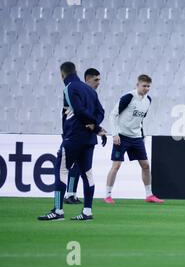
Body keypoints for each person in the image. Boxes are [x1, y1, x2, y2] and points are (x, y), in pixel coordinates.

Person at [38, 62, 105, 221]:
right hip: (89, 140)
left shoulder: (69, 88)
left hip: (73, 137)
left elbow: (79, 110)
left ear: (62, 74)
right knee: (87, 174)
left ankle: (58, 211)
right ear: (76, 71)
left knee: (60, 172)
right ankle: (87, 212)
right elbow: (100, 112)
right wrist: (95, 126)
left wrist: (94, 127)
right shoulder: (90, 90)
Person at [105, 74, 163, 204]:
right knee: (116, 166)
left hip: (136, 137)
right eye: (144, 86)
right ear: (137, 85)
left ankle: (149, 195)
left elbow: (141, 120)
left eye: (148, 86)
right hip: (122, 137)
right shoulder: (128, 97)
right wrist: (114, 134)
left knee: (146, 165)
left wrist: (143, 134)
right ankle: (107, 195)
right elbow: (113, 115)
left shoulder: (148, 100)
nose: (146, 88)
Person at [64, 68, 106, 204]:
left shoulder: (92, 94)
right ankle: (70, 194)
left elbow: (101, 112)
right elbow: (73, 113)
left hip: (87, 136)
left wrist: (94, 124)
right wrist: (93, 124)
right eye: (96, 79)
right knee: (72, 166)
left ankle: (72, 195)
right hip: (74, 134)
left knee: (82, 168)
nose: (99, 83)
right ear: (87, 79)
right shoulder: (75, 90)